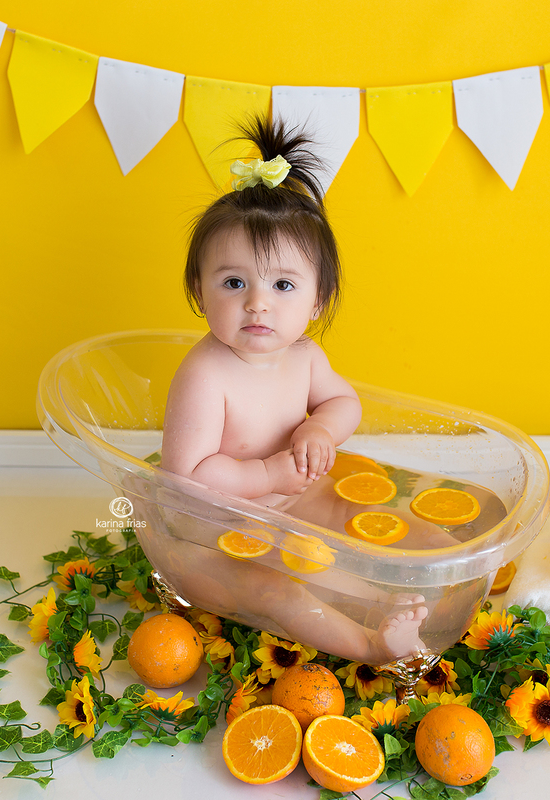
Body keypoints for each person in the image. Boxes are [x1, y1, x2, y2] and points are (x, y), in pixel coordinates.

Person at [157, 116, 427, 664]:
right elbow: (187, 480)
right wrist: (268, 475)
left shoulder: (305, 356)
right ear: (199, 291)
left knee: (346, 533)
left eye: (283, 284)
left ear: (318, 301)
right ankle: (373, 647)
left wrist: (320, 427)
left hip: (293, 501)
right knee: (273, 589)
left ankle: (387, 600)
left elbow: (343, 402)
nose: (258, 303)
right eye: (234, 282)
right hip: (213, 534)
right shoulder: (205, 374)